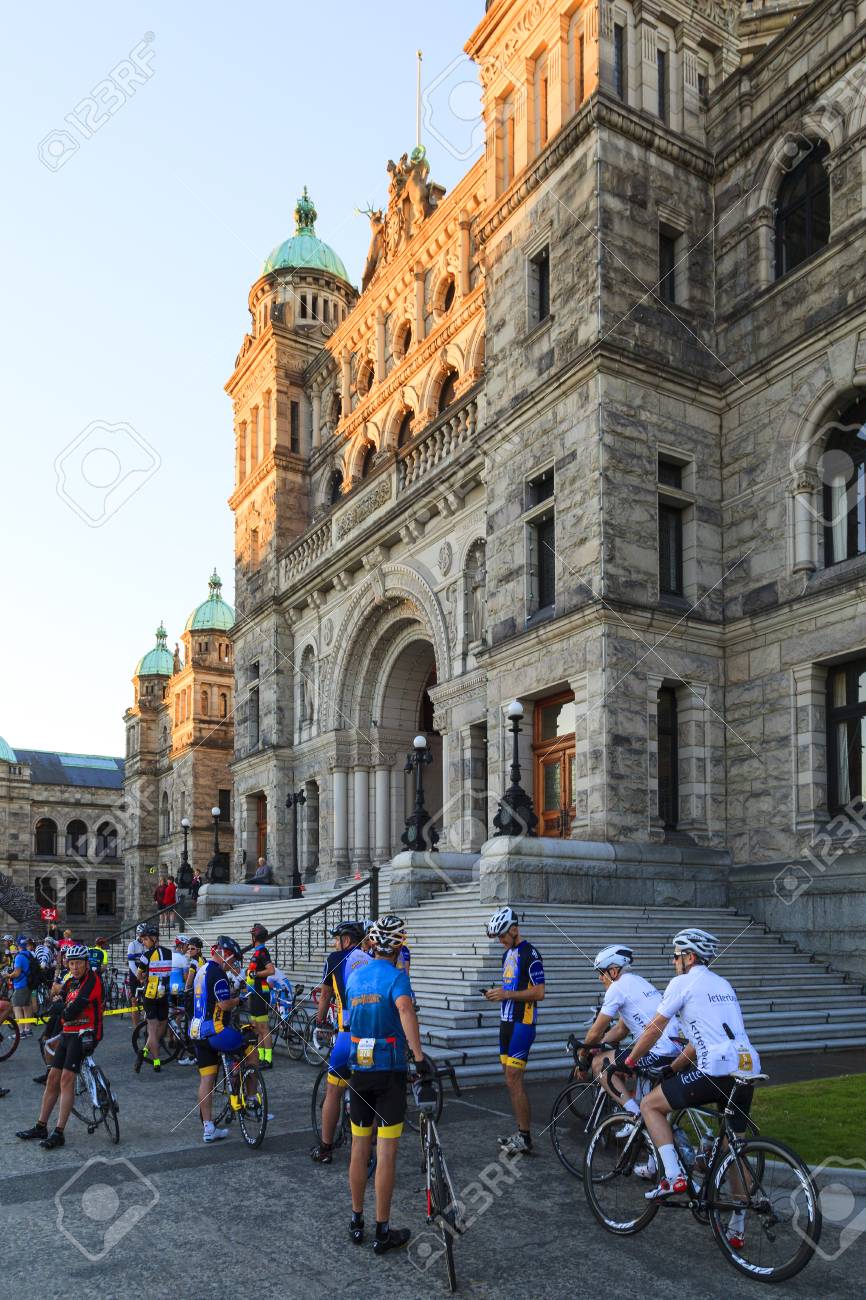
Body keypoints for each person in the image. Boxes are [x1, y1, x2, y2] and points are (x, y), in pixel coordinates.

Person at [623, 927, 761, 1246]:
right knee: (732, 1148)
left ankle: (674, 1177)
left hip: (716, 1068)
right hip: (747, 1066)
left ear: (690, 957)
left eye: (676, 955)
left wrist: (629, 1061)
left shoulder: (682, 983)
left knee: (649, 1105)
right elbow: (703, 1039)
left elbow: (654, 1029)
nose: (673, 961)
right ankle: (737, 1227)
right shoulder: (723, 985)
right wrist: (672, 1067)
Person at [343, 914, 432, 1254]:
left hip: (359, 1069)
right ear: (398, 947)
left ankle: (356, 1220)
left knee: (358, 1146)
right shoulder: (397, 978)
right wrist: (419, 1057)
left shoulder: (356, 977)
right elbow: (406, 1010)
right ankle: (382, 1229)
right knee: (386, 1151)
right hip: (389, 1069)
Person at [577, 944, 683, 1130]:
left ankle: (633, 1116)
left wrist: (583, 1055)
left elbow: (595, 1031)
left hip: (658, 1051)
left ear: (614, 970)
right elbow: (620, 1030)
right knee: (631, 1080)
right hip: (674, 1049)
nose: (600, 978)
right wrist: (599, 1044)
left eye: (601, 973)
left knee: (599, 1064)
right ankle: (646, 1129)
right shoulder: (638, 982)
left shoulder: (616, 988)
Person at [16, 942, 103, 1149]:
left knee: (66, 1079)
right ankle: (41, 1126)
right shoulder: (70, 981)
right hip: (68, 1033)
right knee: (52, 1078)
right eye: (71, 963)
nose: (74, 967)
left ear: (86, 963)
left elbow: (71, 1010)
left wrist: (60, 1008)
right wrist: (57, 1006)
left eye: (78, 963)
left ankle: (59, 1131)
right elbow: (53, 1003)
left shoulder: (93, 981)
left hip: (86, 1034)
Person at [189, 934, 265, 1143]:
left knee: (207, 1079)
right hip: (216, 1030)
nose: (232, 965)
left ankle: (208, 1127)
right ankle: (250, 1098)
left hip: (197, 1031)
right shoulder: (219, 974)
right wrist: (238, 1000)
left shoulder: (202, 970)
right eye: (231, 961)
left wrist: (229, 996)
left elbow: (211, 999)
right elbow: (223, 1005)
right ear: (224, 955)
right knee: (251, 1044)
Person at [484, 907, 545, 1156]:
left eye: (502, 936)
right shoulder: (507, 954)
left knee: (513, 1078)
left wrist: (507, 994)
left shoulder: (531, 954)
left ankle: (526, 1136)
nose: (500, 941)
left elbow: (539, 992)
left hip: (523, 1023)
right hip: (506, 1022)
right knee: (510, 1080)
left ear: (515, 929)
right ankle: (521, 1133)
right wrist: (497, 994)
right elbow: (512, 986)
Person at [310, 920, 371, 1163]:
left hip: (347, 1036)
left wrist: (320, 1020)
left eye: (336, 938)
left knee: (333, 1090)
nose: (334, 943)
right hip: (369, 1036)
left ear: (346, 940)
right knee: (367, 1090)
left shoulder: (335, 958)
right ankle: (370, 1149)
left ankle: (325, 1148)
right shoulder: (370, 959)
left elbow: (325, 994)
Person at [135, 923, 173, 1072]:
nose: (143, 942)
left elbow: (139, 975)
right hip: (164, 994)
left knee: (152, 1030)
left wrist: (145, 976)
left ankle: (151, 1057)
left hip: (150, 995)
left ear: (153, 938)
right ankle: (149, 1055)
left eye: (145, 939)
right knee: (160, 1029)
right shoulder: (169, 953)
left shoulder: (146, 956)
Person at [245, 924, 276, 1069]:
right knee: (257, 1028)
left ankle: (268, 1060)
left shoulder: (262, 952)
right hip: (254, 993)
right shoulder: (257, 952)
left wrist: (255, 974)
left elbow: (271, 970)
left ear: (254, 937)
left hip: (261, 994)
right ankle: (262, 1057)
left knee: (263, 1028)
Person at [9, 936, 36, 1037]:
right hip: (29, 984)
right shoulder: (29, 954)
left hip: (20, 985)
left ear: (17, 944)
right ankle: (27, 1029)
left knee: (16, 1008)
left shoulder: (19, 956)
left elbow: (17, 973)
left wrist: (7, 975)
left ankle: (20, 1032)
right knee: (26, 1006)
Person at [126, 923, 146, 1027]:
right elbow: (131, 964)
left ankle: (145, 1025)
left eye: (144, 935)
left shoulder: (148, 945)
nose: (142, 937)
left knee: (146, 1002)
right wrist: (140, 977)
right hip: (135, 974)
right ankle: (136, 1028)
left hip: (145, 973)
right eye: (141, 935)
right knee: (134, 1002)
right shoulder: (132, 945)